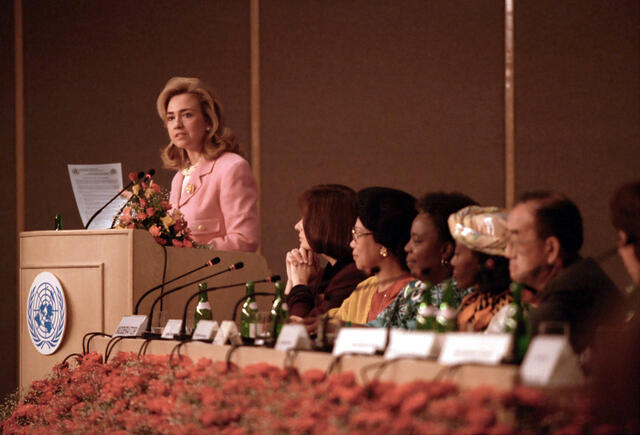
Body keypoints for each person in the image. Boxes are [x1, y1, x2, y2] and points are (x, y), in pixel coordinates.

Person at [505, 191, 621, 353]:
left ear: (551, 248)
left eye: (516, 241)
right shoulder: (575, 277)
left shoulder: (573, 290)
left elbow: (513, 348)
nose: (508, 253)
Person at [157, 77, 259, 251]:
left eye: (187, 115)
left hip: (219, 276)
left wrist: (193, 251)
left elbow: (245, 240)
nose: (177, 124)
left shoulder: (231, 167)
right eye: (171, 117)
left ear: (208, 121)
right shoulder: (179, 177)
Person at [367, 192, 477, 329]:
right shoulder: (414, 288)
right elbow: (374, 329)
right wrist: (339, 326)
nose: (407, 248)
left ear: (445, 250)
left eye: (417, 241)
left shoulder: (462, 296)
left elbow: (414, 339)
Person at [327, 187, 416, 324]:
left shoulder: (415, 291)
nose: (351, 243)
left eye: (357, 234)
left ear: (383, 240)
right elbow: (334, 322)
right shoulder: (366, 288)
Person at [284, 185, 367, 319]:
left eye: (306, 218)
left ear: (327, 223)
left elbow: (302, 327)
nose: (297, 226)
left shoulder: (353, 274)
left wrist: (299, 283)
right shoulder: (326, 273)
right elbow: (279, 326)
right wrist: (292, 282)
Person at [448, 206, 512, 331]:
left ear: (488, 262)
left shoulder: (512, 309)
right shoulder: (472, 301)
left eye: (457, 254)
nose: (452, 262)